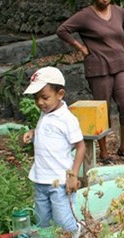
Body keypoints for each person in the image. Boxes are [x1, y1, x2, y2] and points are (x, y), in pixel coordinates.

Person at [56, 0, 124, 164]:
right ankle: (103, 152)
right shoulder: (85, 15)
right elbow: (62, 30)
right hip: (98, 67)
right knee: (103, 109)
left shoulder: (117, 11)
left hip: (120, 64)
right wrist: (81, 48)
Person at [21, 67, 85, 236]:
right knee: (42, 220)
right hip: (40, 178)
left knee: (63, 220)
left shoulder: (67, 119)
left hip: (60, 181)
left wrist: (73, 175)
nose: (40, 102)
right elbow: (47, 133)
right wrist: (33, 133)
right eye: (36, 98)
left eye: (44, 97)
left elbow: (80, 147)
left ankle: (77, 230)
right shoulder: (46, 113)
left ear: (60, 94)